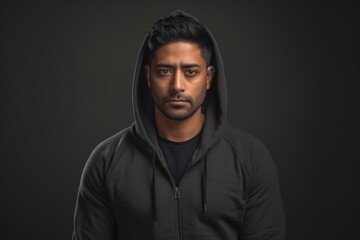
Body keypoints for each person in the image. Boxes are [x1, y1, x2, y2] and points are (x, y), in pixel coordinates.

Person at [72, 10, 285, 240]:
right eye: (164, 71)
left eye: (190, 72)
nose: (177, 85)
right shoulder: (106, 161)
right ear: (148, 76)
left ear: (209, 77)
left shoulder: (250, 159)